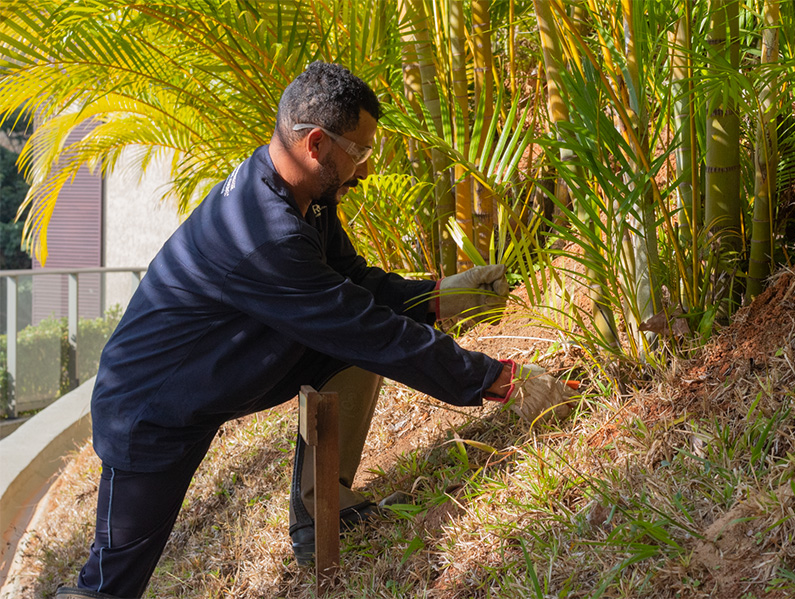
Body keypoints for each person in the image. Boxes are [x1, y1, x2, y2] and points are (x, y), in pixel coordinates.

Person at [56, 62, 574, 599]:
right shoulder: (266, 235)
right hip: (149, 410)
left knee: (352, 344)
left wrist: (440, 296)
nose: (367, 169)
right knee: (111, 584)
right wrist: (500, 378)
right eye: (361, 152)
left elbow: (351, 283)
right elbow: (364, 327)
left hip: (212, 375)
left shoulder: (298, 195)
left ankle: (320, 509)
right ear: (318, 145)